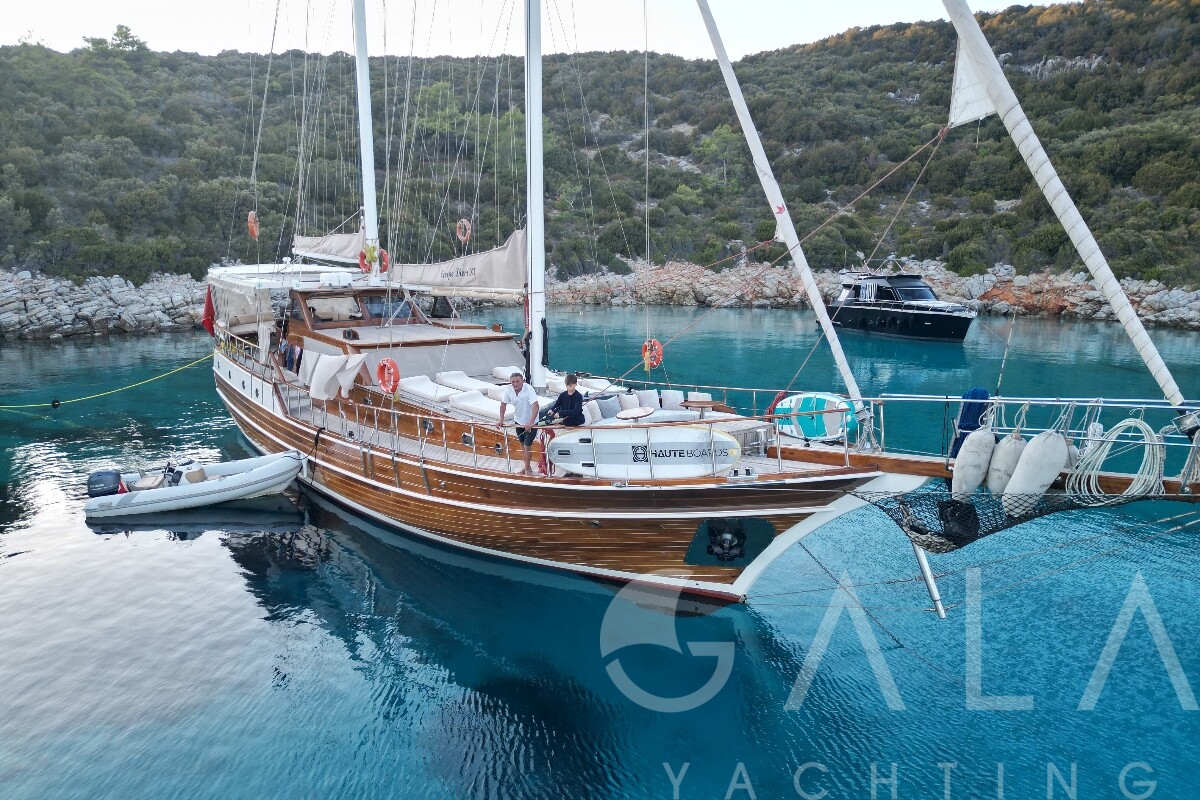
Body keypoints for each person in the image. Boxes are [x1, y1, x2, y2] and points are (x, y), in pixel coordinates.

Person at [498, 371, 540, 475]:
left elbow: (535, 406)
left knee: (526, 446)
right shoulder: (509, 389)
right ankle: (527, 467)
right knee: (522, 445)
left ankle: (527, 470)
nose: (515, 384)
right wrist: (501, 420)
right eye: (513, 382)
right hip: (518, 421)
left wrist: (531, 422)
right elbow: (503, 405)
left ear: (523, 381)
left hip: (532, 422)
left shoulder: (529, 389)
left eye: (518, 381)